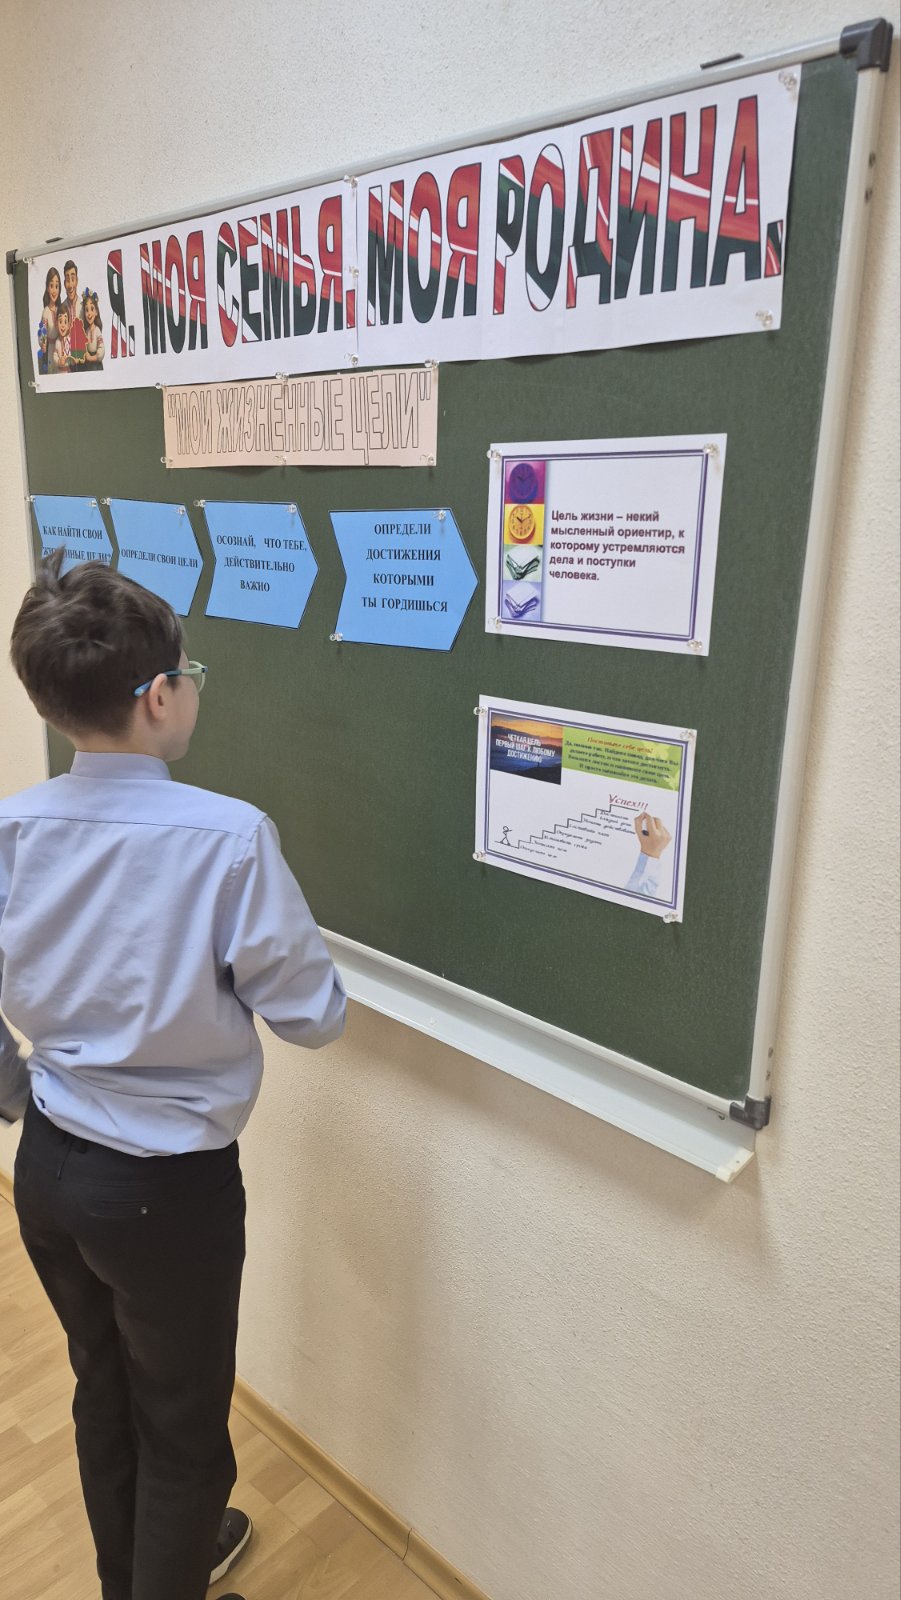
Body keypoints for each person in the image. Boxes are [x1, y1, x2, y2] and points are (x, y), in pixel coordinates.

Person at [0, 549, 347, 1600]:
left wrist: (15, 1092)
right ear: (159, 696)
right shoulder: (229, 840)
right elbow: (313, 1018)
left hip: (47, 1170)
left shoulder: (11, 828)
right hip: (164, 1191)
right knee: (185, 1429)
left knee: (102, 1388)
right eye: (189, 675)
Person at [39, 265, 62, 374]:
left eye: (56, 286)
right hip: (50, 350)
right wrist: (43, 343)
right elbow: (43, 331)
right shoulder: (46, 311)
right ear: (47, 288)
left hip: (60, 348)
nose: (54, 290)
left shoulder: (60, 309)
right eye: (51, 286)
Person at [82, 287, 105, 370]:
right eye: (86, 310)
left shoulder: (97, 330)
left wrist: (91, 358)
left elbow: (101, 350)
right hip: (88, 365)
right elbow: (84, 346)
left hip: (96, 365)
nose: (89, 313)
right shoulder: (87, 331)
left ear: (96, 312)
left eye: (92, 309)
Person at [51, 302, 72, 372]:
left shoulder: (69, 340)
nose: (63, 325)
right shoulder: (57, 342)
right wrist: (59, 361)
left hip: (68, 371)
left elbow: (73, 353)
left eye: (65, 322)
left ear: (68, 325)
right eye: (60, 322)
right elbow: (55, 355)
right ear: (56, 324)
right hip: (59, 372)